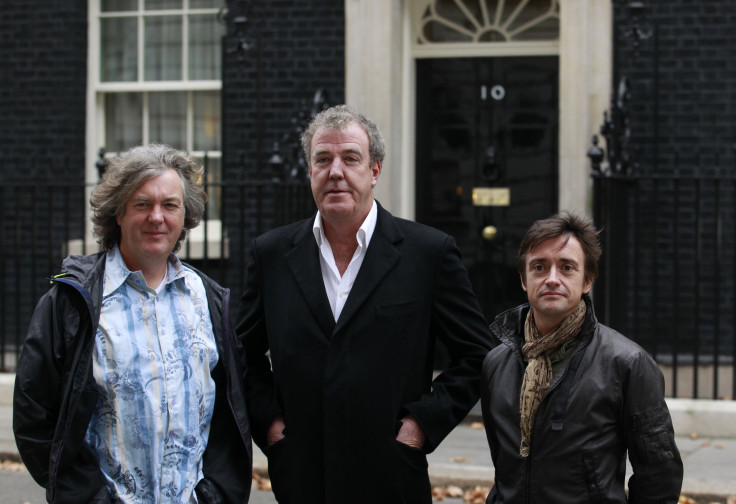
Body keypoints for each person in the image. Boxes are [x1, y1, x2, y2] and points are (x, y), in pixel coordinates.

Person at [236, 104, 492, 503]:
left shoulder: (428, 253)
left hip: (390, 479)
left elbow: (477, 355)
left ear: (374, 170)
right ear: (310, 172)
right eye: (323, 159)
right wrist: (270, 425)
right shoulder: (271, 254)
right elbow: (241, 355)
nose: (335, 171)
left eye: (350, 158)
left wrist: (420, 426)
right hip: (302, 480)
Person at [13, 144, 252, 504]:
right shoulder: (72, 302)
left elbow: (231, 413)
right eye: (143, 204)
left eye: (170, 205)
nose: (157, 217)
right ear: (119, 213)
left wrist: (216, 493)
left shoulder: (209, 299)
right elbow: (33, 412)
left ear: (185, 215)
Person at [480, 211, 683, 503]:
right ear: (524, 280)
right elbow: (504, 464)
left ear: (587, 280)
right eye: (539, 267)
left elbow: (659, 475)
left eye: (566, 267)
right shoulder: (496, 364)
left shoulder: (627, 364)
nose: (552, 279)